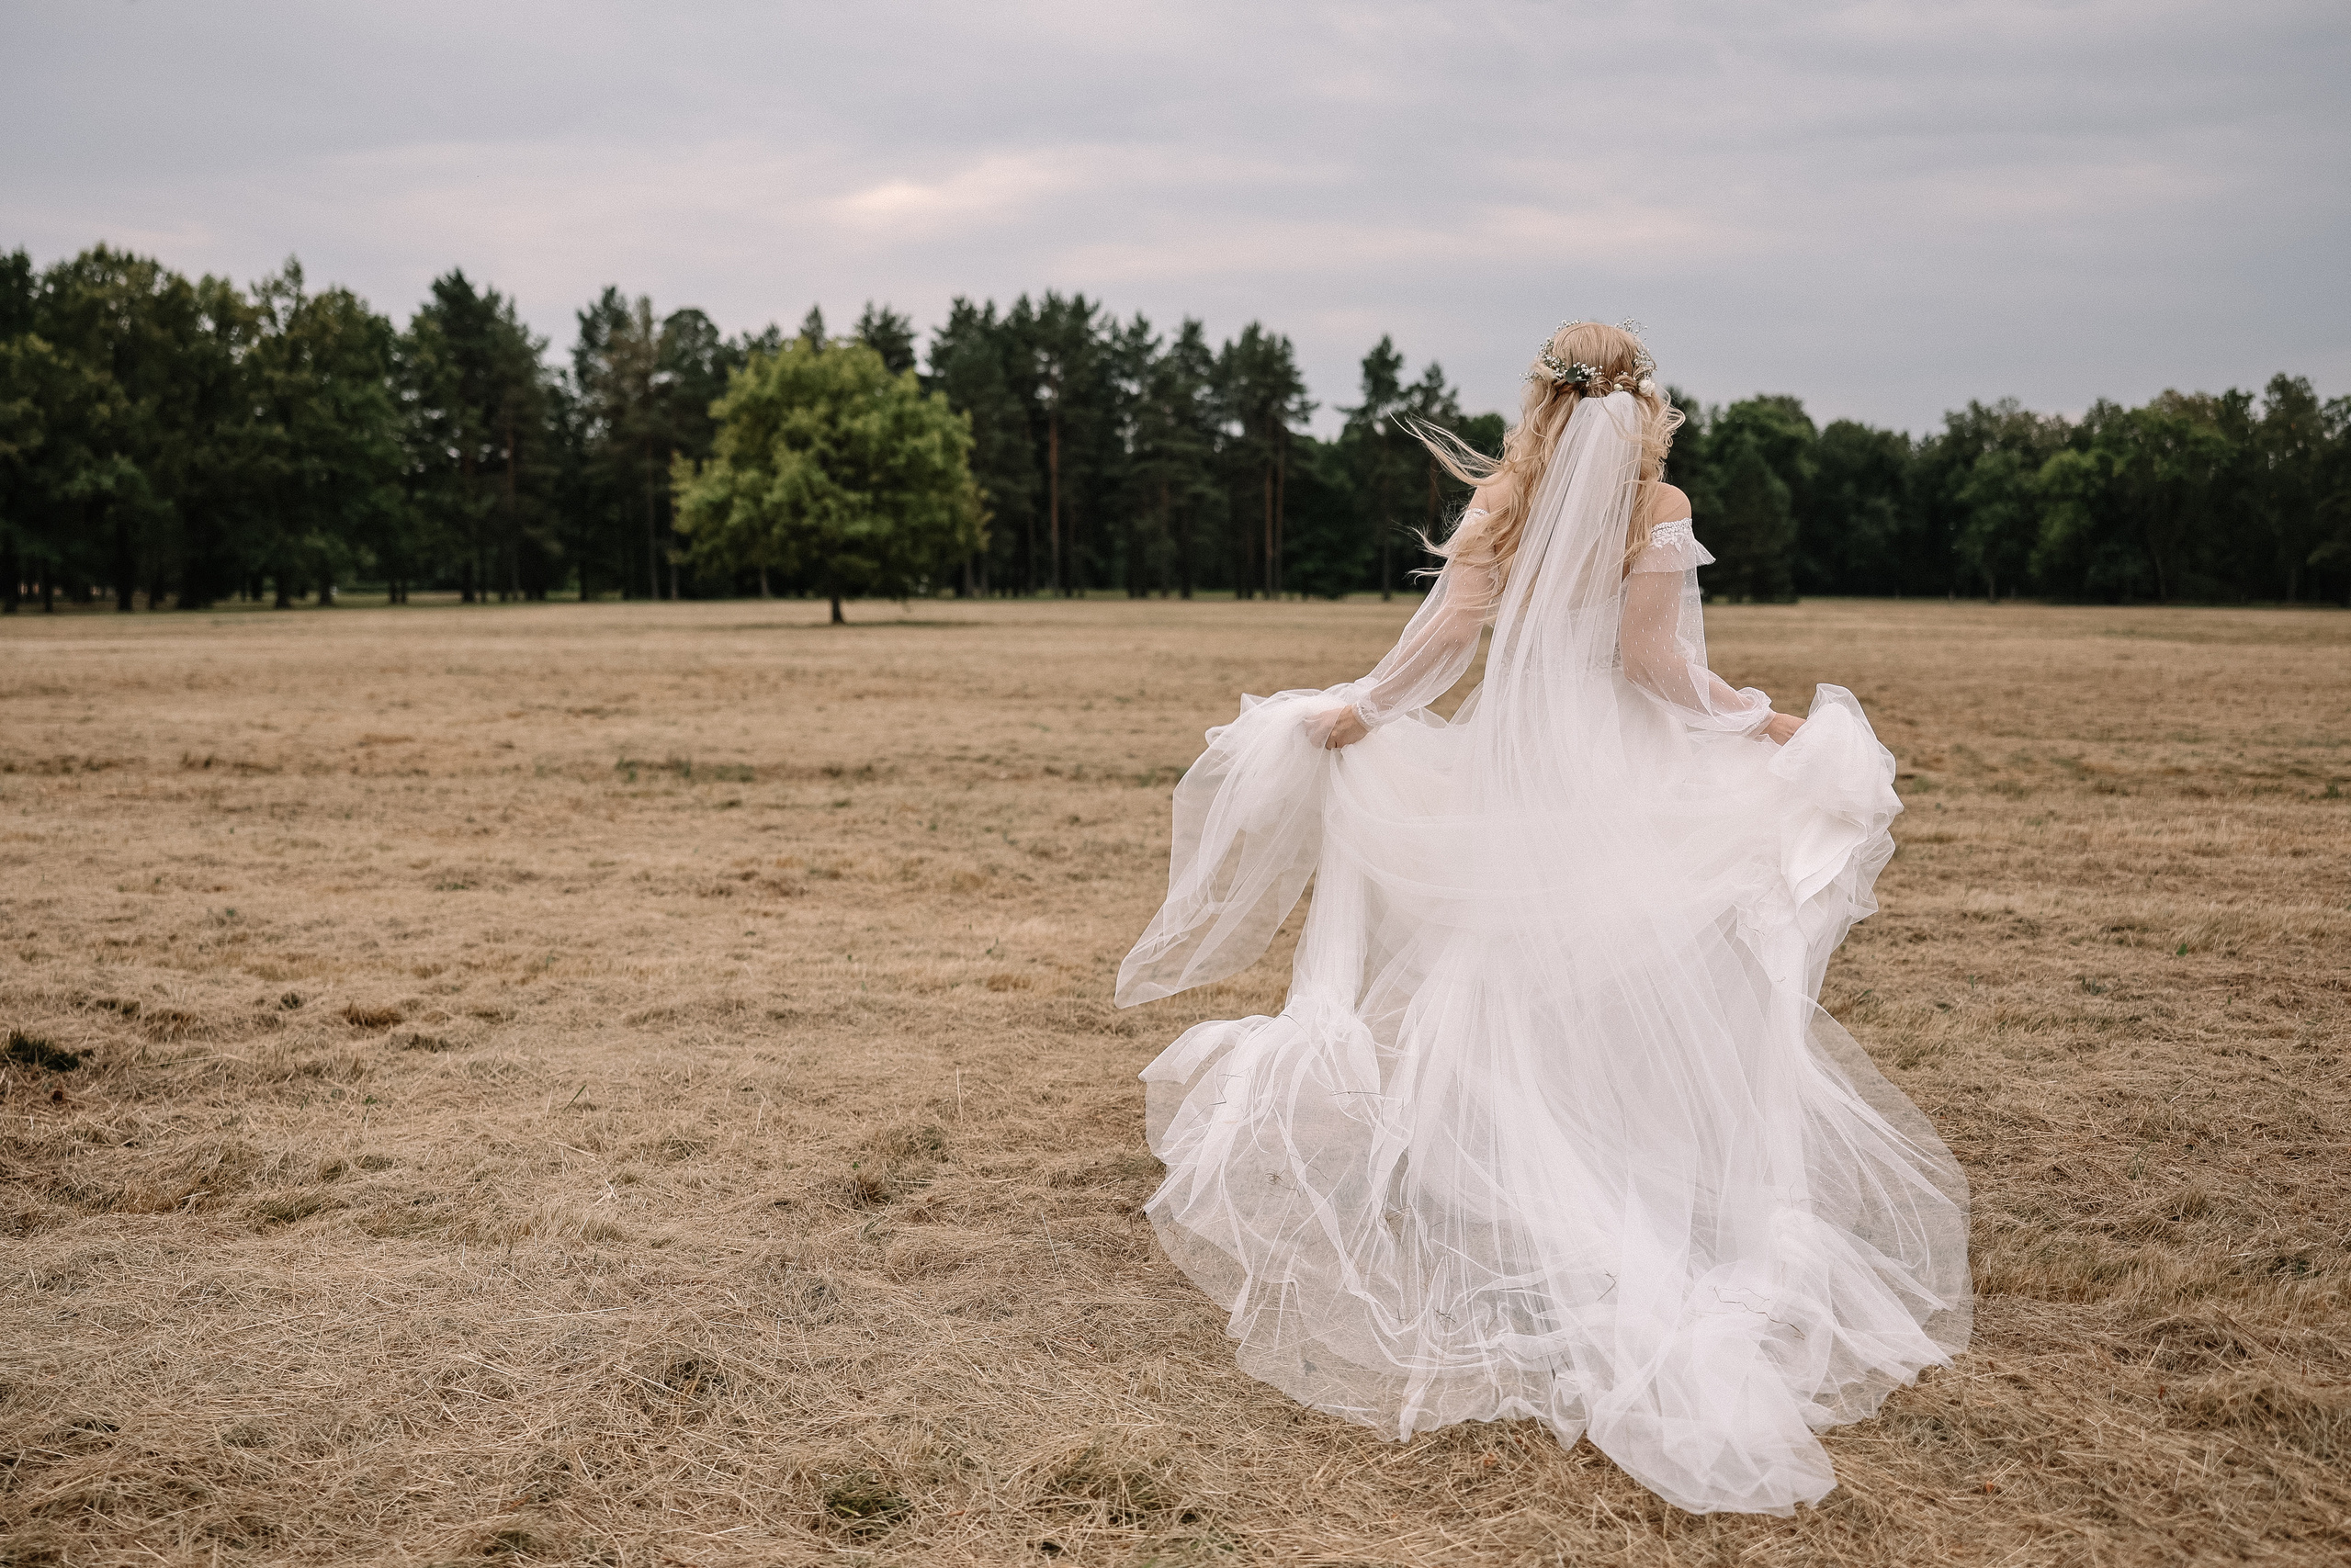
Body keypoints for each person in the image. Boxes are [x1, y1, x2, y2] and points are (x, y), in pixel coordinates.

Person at [1114, 321, 1970, 1517]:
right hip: (1618, 772)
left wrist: (1359, 712)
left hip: (1514, 769)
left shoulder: (1507, 500)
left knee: (1493, 973)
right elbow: (1658, 669)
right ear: (1649, 405)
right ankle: (1615, 1194)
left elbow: (1450, 636)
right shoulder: (1653, 501)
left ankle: (1494, 1193)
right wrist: (1767, 721)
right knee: (1643, 974)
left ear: (1541, 398)